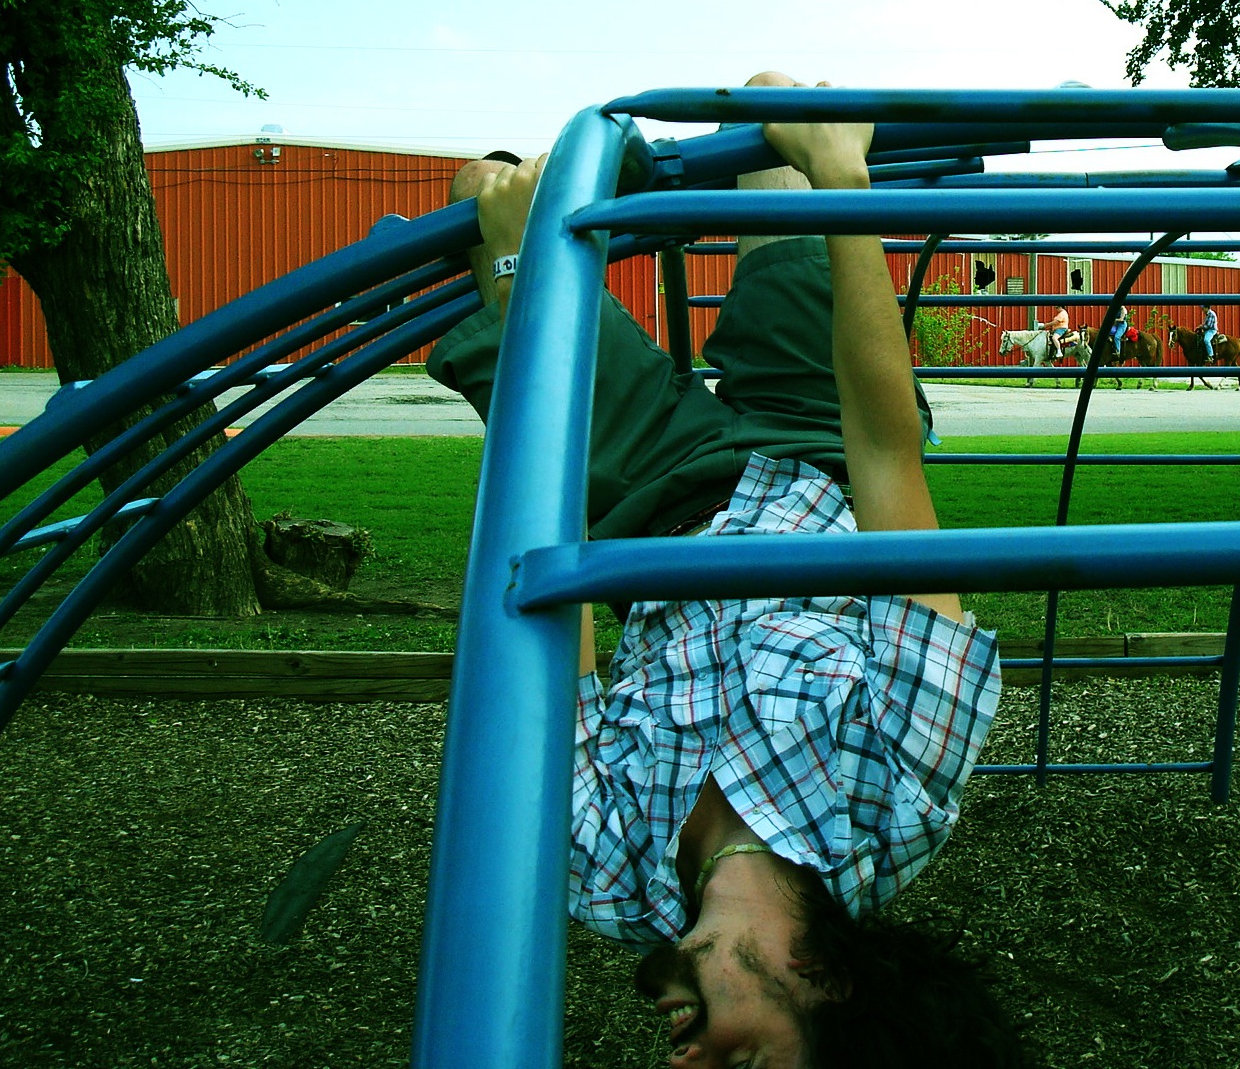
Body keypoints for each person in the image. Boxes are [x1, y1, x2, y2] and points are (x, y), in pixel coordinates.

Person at [428, 74, 1028, 1069]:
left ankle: (577, 211)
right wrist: (845, 180)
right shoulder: (896, 800)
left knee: (482, 191)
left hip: (647, 506)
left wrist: (516, 268)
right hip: (818, 447)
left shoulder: (606, 872)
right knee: (775, 109)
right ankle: (685, 181)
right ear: (831, 989)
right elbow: (885, 457)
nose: (683, 1065)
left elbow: (546, 555)